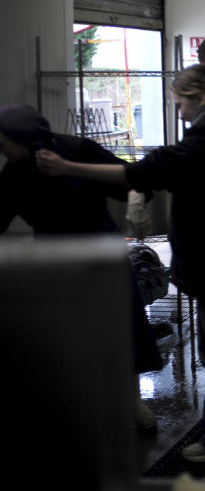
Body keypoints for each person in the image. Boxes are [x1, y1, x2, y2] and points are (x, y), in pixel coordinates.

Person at [36, 62, 205, 488]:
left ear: (198, 98)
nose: (178, 112)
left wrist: (68, 168)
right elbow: (172, 166)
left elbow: (152, 169)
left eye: (179, 104)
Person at [0, 103, 162, 429]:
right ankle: (77, 406)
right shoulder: (14, 174)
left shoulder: (77, 150)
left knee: (122, 327)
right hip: (55, 261)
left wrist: (135, 202)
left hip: (101, 252)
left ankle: (132, 402)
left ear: (26, 139)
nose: (2, 149)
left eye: (5, 142)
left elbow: (135, 180)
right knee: (67, 338)